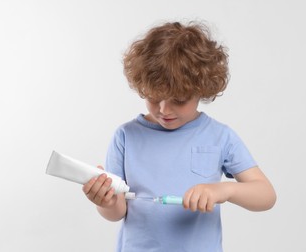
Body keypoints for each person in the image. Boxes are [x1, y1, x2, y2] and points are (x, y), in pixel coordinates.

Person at [83, 21, 276, 251]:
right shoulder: (126, 136)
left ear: (202, 88)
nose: (164, 110)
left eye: (179, 100)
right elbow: (116, 213)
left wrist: (223, 191)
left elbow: (266, 195)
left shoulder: (219, 136)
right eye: (155, 97)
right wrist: (106, 202)